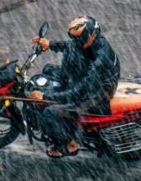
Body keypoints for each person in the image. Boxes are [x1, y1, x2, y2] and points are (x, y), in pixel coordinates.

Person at [29, 16, 120, 158]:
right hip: (91, 82)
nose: (76, 42)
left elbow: (79, 91)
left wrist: (45, 96)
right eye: (74, 37)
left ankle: (70, 144)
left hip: (97, 94)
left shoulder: (99, 60)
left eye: (79, 39)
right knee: (48, 70)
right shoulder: (90, 42)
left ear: (91, 35)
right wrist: (50, 44)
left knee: (50, 112)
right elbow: (70, 45)